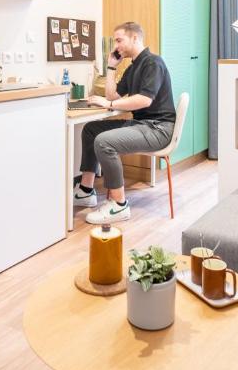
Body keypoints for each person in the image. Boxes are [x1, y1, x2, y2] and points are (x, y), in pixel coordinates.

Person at [74, 21, 176, 224]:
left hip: (159, 128)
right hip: (143, 125)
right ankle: (86, 190)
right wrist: (111, 66)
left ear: (135, 38)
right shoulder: (133, 67)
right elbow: (113, 94)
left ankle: (119, 205)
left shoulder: (153, 63)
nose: (116, 46)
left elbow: (144, 100)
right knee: (91, 129)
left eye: (119, 40)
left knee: (104, 142)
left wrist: (109, 103)